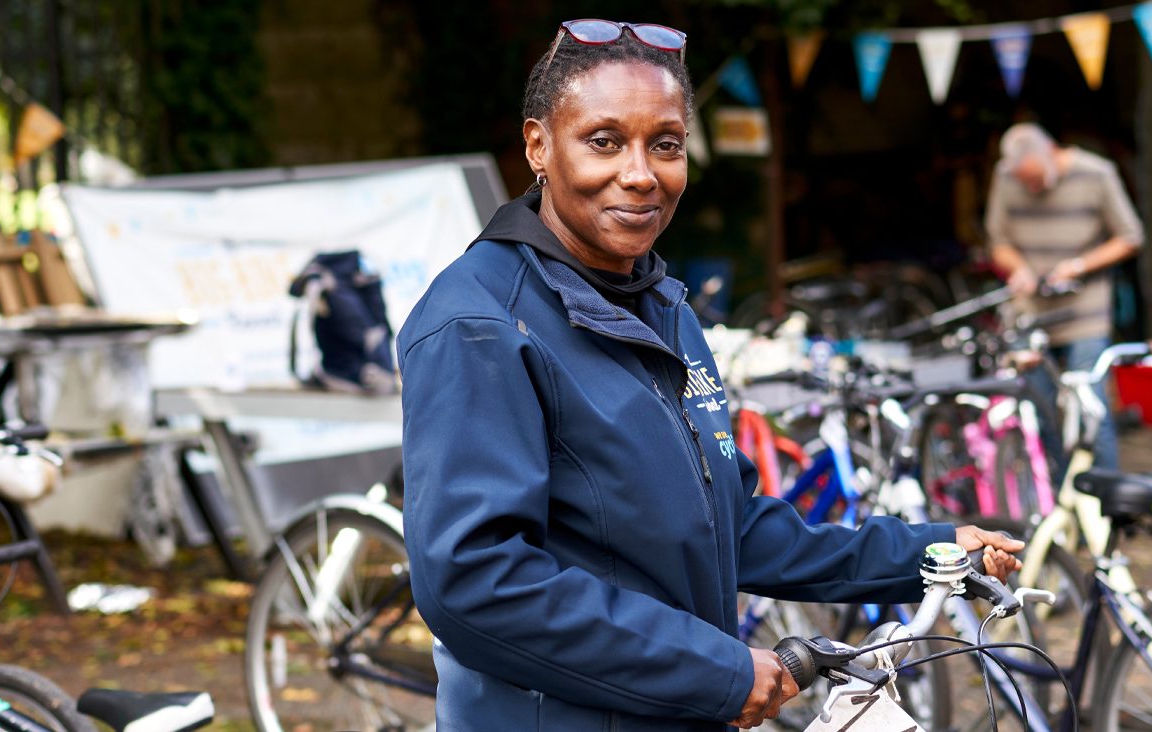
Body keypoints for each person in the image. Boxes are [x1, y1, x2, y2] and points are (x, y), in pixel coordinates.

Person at [399, 19, 1023, 732]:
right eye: (604, 141)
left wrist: (924, 552)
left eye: (664, 144)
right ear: (539, 145)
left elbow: (729, 528)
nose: (640, 173)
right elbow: (476, 583)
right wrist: (716, 670)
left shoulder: (660, 304)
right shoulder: (480, 323)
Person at [985, 123, 1144, 473]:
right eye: (1024, 181)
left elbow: (1131, 236)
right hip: (1030, 312)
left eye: (1036, 179)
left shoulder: (1097, 173)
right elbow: (997, 242)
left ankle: (1104, 510)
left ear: (1052, 152)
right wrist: (1018, 268)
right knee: (1037, 412)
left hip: (1084, 312)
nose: (1031, 187)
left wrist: (1078, 266)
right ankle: (1057, 504)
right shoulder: (1006, 175)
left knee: (1091, 411)